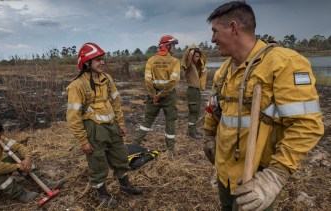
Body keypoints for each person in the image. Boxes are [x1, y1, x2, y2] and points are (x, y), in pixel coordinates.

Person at [204, 1, 324, 211]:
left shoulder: (283, 63)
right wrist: (208, 134)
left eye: (215, 31)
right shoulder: (224, 70)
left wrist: (275, 176)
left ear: (233, 28)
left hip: (256, 178)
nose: (212, 39)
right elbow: (216, 107)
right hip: (225, 171)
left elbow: (307, 126)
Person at [66, 42, 142, 209]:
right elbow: (73, 117)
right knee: (98, 164)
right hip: (94, 131)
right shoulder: (76, 86)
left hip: (112, 127)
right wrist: (83, 141)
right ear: (87, 63)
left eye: (102, 59)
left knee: (120, 157)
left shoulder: (107, 79)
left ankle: (125, 186)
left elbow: (116, 102)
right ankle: (102, 195)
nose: (102, 63)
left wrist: (120, 123)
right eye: (97, 60)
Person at [132, 35, 181, 151]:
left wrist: (153, 94)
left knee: (148, 120)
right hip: (168, 96)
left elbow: (147, 80)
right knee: (170, 121)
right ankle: (170, 150)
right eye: (173, 45)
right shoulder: (174, 61)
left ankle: (135, 144)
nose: (174, 47)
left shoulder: (151, 60)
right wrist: (161, 94)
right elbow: (173, 81)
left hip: (153, 97)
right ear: (167, 46)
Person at [181, 44, 207, 139]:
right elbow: (188, 57)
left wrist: (199, 52)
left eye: (198, 56)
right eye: (196, 56)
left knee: (196, 112)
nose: (198, 58)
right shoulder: (189, 65)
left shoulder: (196, 67)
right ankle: (191, 133)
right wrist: (192, 51)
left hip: (196, 91)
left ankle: (193, 130)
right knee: (193, 111)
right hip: (192, 91)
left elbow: (203, 60)